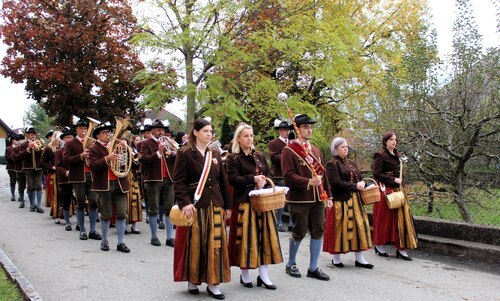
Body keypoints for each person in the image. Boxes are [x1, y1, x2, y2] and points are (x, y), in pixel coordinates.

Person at [173, 118, 232, 300]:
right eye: (205, 131)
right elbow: (179, 181)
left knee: (216, 244)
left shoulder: (215, 154)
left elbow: (223, 181)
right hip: (195, 205)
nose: (209, 134)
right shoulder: (185, 153)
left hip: (215, 204)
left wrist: (227, 206)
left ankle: (214, 283)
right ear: (196, 132)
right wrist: (185, 203)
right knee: (196, 244)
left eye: (211, 131)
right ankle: (193, 279)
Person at [226, 123, 282, 290]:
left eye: (251, 135)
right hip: (244, 203)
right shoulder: (233, 158)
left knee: (264, 238)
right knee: (245, 239)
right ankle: (245, 275)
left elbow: (269, 173)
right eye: (246, 136)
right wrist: (253, 179)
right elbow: (233, 179)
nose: (249, 139)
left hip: (263, 203)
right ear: (238, 138)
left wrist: (264, 181)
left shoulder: (259, 156)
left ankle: (264, 275)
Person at [281, 114, 332, 281]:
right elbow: (288, 176)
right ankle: (291, 263)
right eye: (305, 127)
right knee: (299, 231)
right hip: (300, 198)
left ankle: (313, 267)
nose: (309, 130)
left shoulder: (316, 150)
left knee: (318, 230)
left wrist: (329, 196)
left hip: (318, 198)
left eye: (310, 127)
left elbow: (324, 176)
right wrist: (309, 181)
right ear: (297, 129)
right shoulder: (289, 150)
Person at [323, 137, 373, 269]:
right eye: (343, 147)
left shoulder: (351, 162)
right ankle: (336, 257)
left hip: (356, 201)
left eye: (346, 146)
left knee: (359, 227)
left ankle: (360, 258)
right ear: (335, 149)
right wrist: (356, 186)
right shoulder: (332, 164)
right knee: (339, 228)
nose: (346, 149)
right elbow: (335, 183)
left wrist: (363, 183)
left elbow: (360, 178)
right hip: (341, 201)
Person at [372, 131, 418, 260]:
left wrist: (400, 181)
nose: (394, 142)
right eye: (391, 139)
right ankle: (379, 245)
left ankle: (401, 248)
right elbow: (377, 174)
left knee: (400, 219)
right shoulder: (380, 155)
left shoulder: (396, 155)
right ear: (385, 141)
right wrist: (393, 180)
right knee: (384, 219)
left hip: (398, 191)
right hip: (386, 191)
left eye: (395, 139)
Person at [88, 121, 130, 253]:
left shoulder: (118, 145)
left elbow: (131, 163)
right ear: (98, 136)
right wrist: (107, 159)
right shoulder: (93, 149)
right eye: (104, 133)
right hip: (104, 185)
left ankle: (120, 242)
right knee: (106, 214)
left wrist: (126, 149)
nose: (108, 135)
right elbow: (93, 166)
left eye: (108, 132)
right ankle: (104, 240)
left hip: (119, 183)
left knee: (122, 214)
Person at [63, 118, 101, 241]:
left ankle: (93, 230)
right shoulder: (70, 143)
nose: (84, 130)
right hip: (78, 176)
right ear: (77, 130)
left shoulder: (93, 143)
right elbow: (66, 160)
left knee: (94, 202)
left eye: (85, 128)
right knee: (80, 204)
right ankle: (82, 230)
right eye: (81, 128)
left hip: (92, 175)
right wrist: (80, 156)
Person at [139, 119, 176, 247]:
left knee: (169, 209)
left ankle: (169, 237)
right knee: (153, 209)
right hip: (153, 180)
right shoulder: (146, 143)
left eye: (162, 130)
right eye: (159, 130)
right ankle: (154, 237)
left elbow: (174, 160)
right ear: (153, 130)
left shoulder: (168, 143)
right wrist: (158, 153)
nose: (161, 132)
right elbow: (144, 159)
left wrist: (176, 153)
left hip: (168, 179)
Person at [268, 119, 292, 232]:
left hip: (291, 173)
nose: (287, 132)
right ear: (280, 131)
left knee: (292, 197)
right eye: (284, 130)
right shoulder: (274, 143)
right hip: (280, 175)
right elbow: (273, 158)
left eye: (288, 130)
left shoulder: (292, 142)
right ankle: (279, 221)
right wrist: (286, 155)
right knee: (281, 198)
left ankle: (292, 222)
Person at [17, 126, 44, 213]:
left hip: (38, 167)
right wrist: (28, 149)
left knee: (39, 186)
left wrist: (39, 148)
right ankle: (32, 204)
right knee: (30, 186)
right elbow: (19, 156)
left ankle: (39, 205)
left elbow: (43, 154)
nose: (32, 136)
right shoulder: (23, 144)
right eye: (31, 134)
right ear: (27, 135)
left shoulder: (40, 143)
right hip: (28, 168)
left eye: (34, 134)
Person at [55, 127, 75, 231]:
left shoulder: (77, 151)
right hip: (65, 179)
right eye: (68, 137)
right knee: (66, 199)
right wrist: (66, 172)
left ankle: (79, 222)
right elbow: (58, 166)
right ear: (63, 139)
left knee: (79, 201)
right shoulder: (59, 152)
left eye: (72, 137)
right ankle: (67, 221)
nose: (70, 139)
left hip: (77, 178)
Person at [41, 130, 61, 223]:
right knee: (55, 194)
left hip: (63, 173)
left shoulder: (64, 147)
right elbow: (42, 162)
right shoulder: (49, 148)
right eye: (57, 137)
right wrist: (52, 167)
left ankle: (65, 213)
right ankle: (55, 214)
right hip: (53, 174)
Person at [126, 135, 142, 234]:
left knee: (135, 201)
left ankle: (134, 225)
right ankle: (123, 225)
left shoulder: (132, 151)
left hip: (133, 178)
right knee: (125, 202)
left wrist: (134, 160)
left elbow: (137, 165)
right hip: (123, 179)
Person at [12, 134, 27, 208]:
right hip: (19, 170)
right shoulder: (15, 149)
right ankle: (21, 201)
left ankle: (33, 202)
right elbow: (14, 158)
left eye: (21, 140)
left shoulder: (28, 147)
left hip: (28, 169)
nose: (19, 142)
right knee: (21, 186)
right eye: (18, 140)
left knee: (31, 186)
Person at [5, 134, 18, 202]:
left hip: (19, 168)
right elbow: (7, 158)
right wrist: (13, 157)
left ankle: (20, 195)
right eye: (16, 139)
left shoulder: (20, 147)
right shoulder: (8, 149)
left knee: (21, 182)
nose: (17, 141)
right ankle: (13, 195)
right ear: (13, 140)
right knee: (13, 181)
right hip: (11, 168)